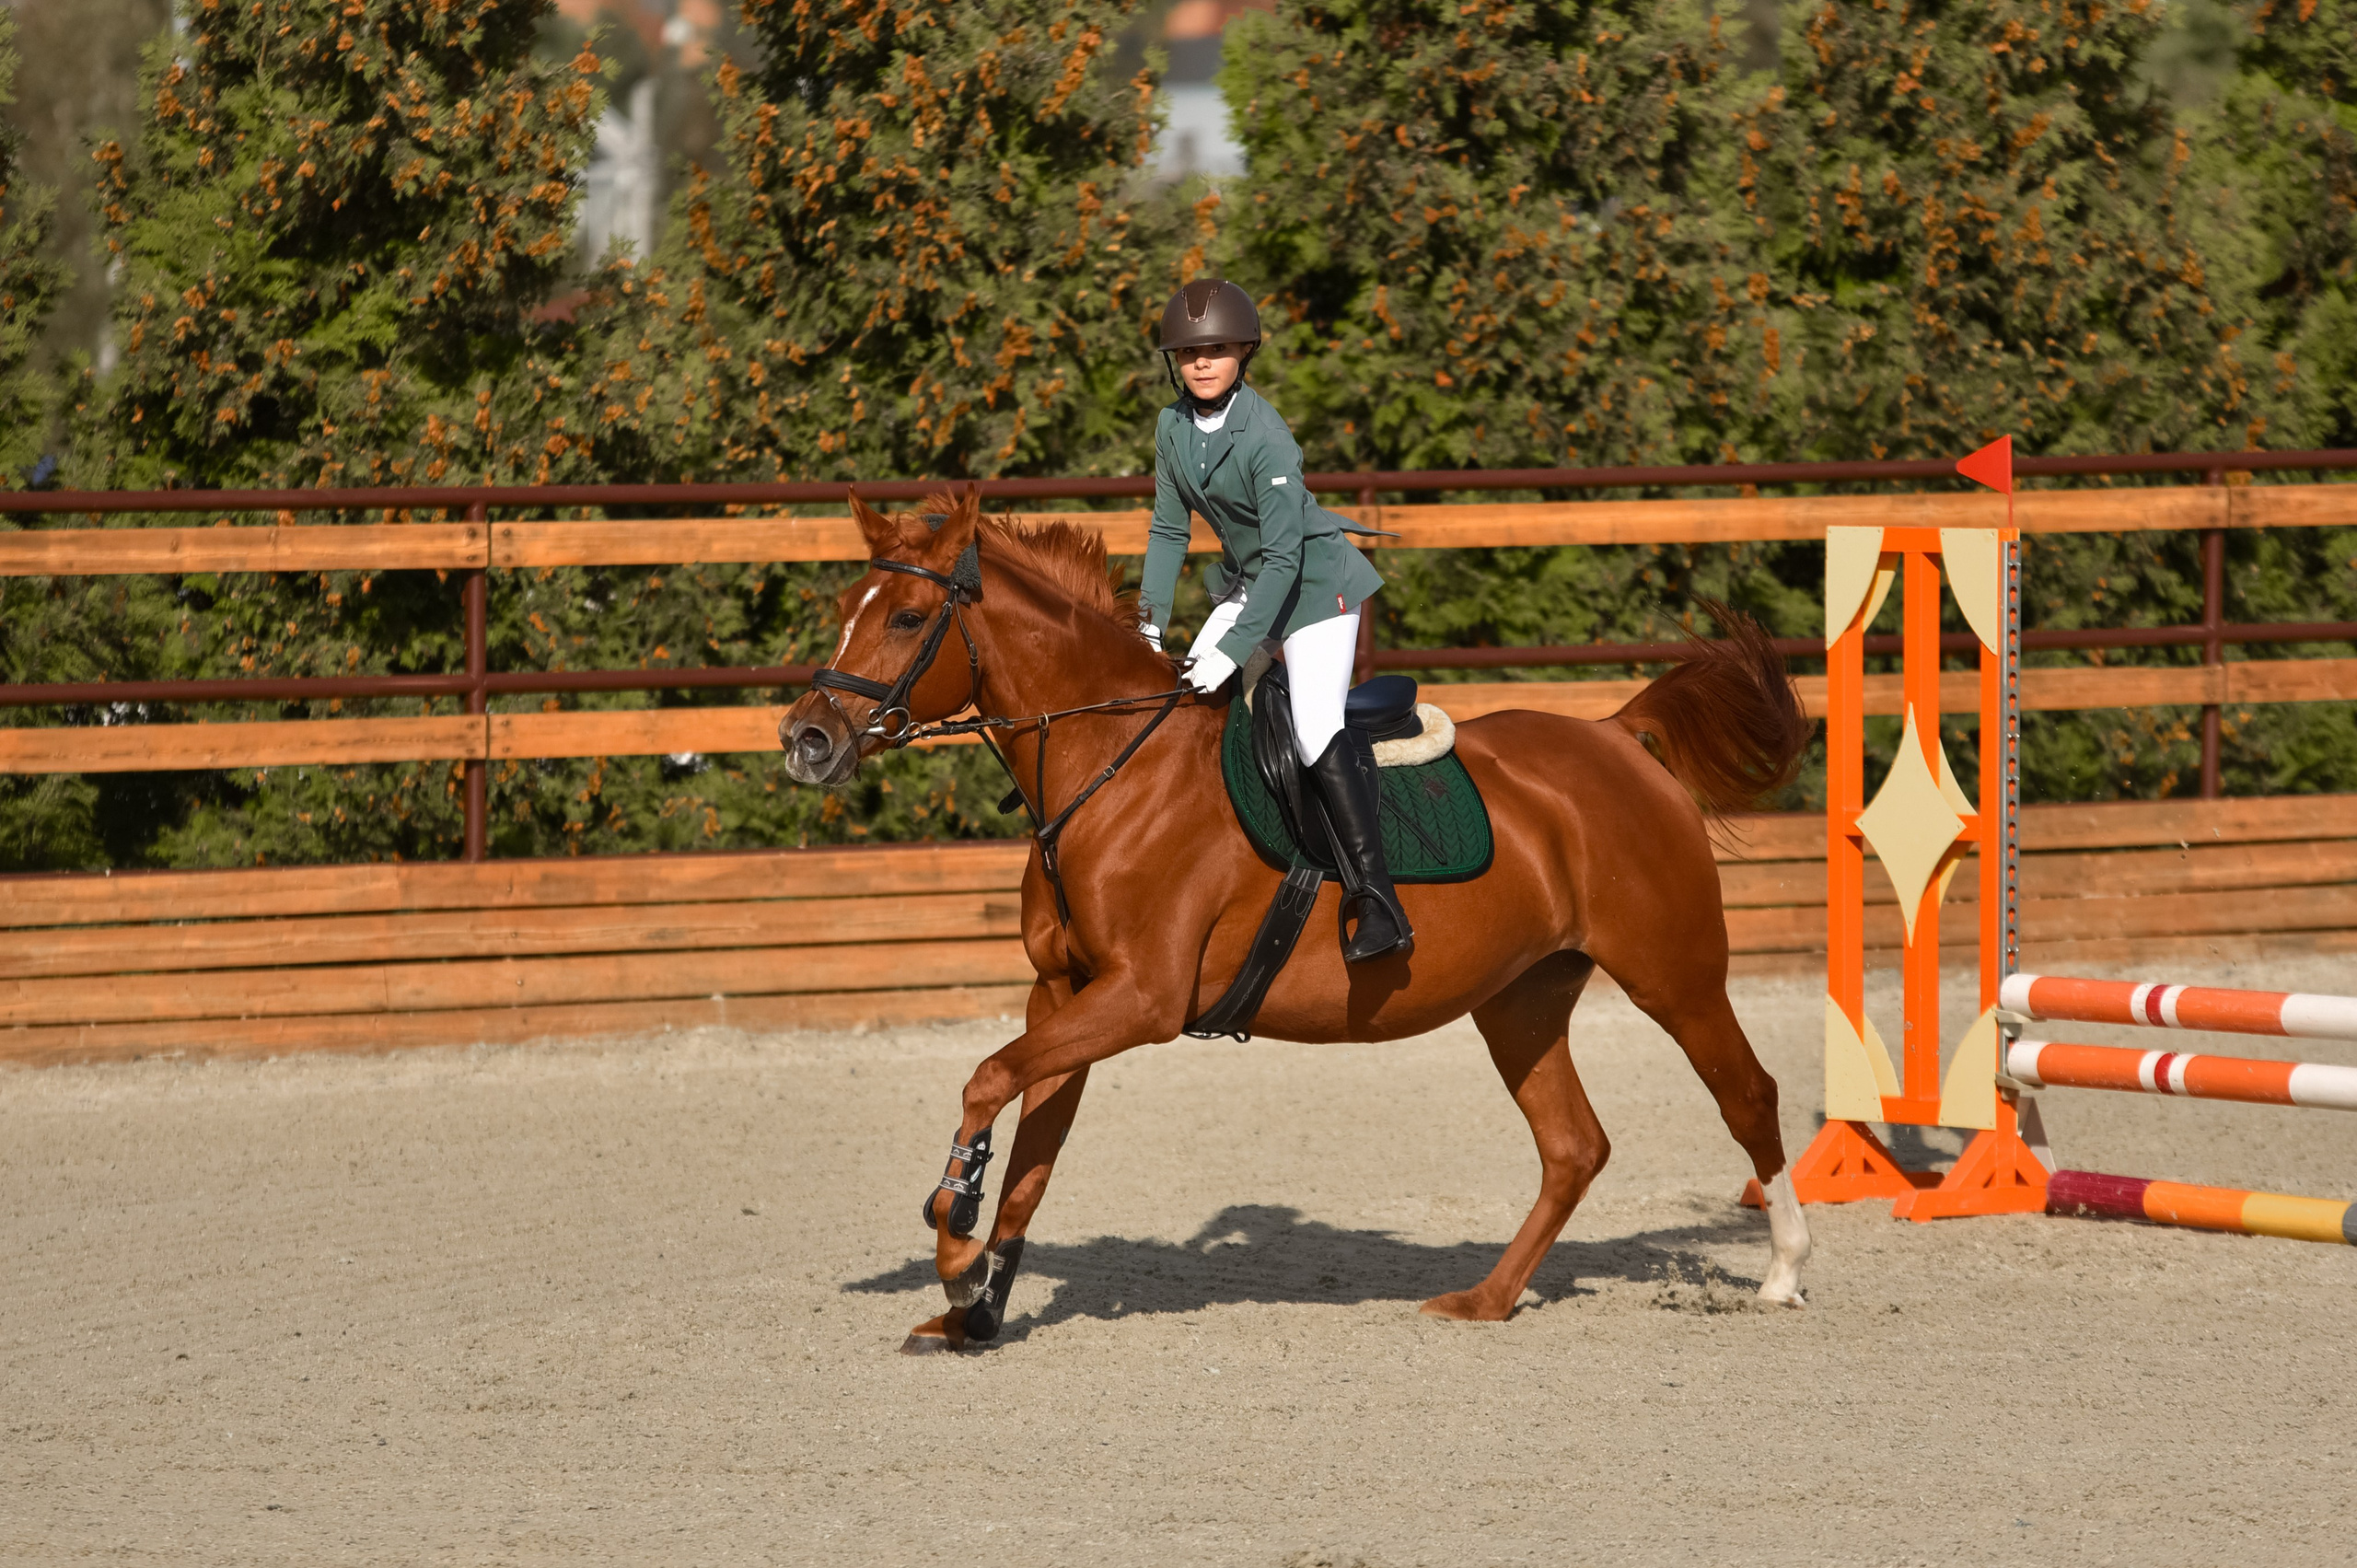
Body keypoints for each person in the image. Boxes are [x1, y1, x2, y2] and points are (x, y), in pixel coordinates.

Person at [1139, 278, 1414, 963]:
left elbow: (1288, 558)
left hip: (1317, 590)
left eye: (1217, 350)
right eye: (1189, 353)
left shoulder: (1267, 435)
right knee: (1185, 700)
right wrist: (1147, 624)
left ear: (1244, 353)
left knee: (1316, 728)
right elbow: (1169, 531)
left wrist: (1235, 647)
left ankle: (1379, 900)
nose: (1202, 363)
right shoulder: (1172, 427)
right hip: (1254, 585)